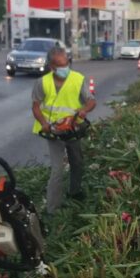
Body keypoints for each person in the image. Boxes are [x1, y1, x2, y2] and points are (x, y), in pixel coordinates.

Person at [31, 46, 96, 214]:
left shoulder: (77, 79)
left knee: (78, 162)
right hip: (53, 132)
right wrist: (44, 123)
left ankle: (75, 191)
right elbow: (36, 107)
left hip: (73, 128)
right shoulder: (42, 83)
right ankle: (52, 209)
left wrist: (84, 110)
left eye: (67, 63)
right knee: (57, 170)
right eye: (61, 66)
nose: (65, 68)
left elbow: (91, 101)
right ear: (52, 67)